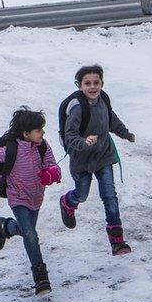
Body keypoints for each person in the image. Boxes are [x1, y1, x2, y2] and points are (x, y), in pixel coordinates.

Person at [0, 108, 62, 296]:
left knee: (25, 232)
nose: (43, 133)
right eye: (39, 130)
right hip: (18, 198)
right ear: (26, 134)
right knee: (31, 235)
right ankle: (41, 278)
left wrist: (52, 174)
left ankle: (4, 227)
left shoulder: (42, 146)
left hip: (36, 197)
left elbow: (53, 164)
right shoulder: (10, 151)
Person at [58, 64, 136, 256]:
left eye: (96, 82)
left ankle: (117, 241)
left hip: (103, 155)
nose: (92, 87)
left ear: (102, 83)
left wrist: (125, 133)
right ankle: (68, 202)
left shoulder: (103, 99)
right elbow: (70, 137)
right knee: (82, 194)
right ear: (79, 85)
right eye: (87, 83)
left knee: (109, 195)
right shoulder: (77, 108)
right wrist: (84, 142)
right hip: (81, 159)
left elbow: (111, 119)